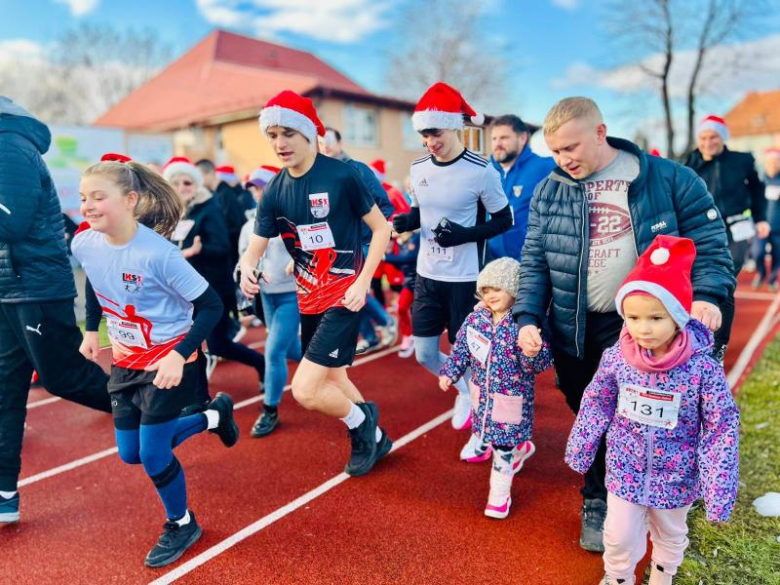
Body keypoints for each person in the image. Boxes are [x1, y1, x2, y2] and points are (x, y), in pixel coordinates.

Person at [515, 97, 734, 552]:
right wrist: (527, 317)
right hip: (575, 324)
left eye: (571, 147)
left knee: (648, 414)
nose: (563, 159)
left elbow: (711, 246)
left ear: (600, 133)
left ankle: (659, 494)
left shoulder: (669, 178)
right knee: (591, 410)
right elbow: (534, 261)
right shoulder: (549, 190)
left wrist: (709, 297)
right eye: (555, 151)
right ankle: (602, 496)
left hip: (643, 325)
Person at [73, 154, 239, 567]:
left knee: (153, 456)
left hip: (170, 362)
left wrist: (178, 356)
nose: (88, 206)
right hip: (126, 363)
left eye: (98, 197)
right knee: (130, 452)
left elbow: (212, 307)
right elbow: (97, 282)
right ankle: (213, 418)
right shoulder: (85, 242)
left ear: (130, 200)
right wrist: (92, 331)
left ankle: (181, 523)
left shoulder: (158, 254)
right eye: (83, 198)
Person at [565, 235, 739, 585]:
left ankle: (663, 575)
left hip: (676, 476)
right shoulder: (617, 359)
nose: (643, 328)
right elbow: (597, 401)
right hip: (625, 469)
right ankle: (618, 577)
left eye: (655, 318)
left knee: (670, 535)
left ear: (677, 316)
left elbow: (721, 427)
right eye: (633, 318)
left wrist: (717, 488)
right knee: (618, 535)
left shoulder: (701, 369)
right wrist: (582, 446)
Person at [240, 90, 393, 476]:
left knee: (307, 390)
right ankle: (376, 437)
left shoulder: (343, 175)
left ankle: (361, 426)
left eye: (288, 133)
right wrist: (247, 267)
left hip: (345, 295)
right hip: (308, 296)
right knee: (334, 376)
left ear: (309, 133)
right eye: (272, 135)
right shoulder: (275, 189)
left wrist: (363, 282)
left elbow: (381, 228)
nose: (279, 144)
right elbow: (255, 246)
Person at [0, 97, 111, 525]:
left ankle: (169, 412)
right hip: (10, 287)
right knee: (6, 391)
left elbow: (11, 221)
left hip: (36, 287)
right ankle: (5, 494)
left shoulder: (10, 145)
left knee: (65, 379)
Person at [392, 82, 512, 456]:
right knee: (426, 354)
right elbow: (422, 211)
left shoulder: (481, 171)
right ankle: (466, 392)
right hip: (428, 277)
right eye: (424, 134)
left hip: (465, 281)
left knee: (475, 360)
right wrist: (406, 221)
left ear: (454, 127)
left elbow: (504, 219)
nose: (430, 141)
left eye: (436, 132)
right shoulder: (418, 167)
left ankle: (484, 428)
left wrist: (464, 235)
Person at [439, 257, 551, 518]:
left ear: (513, 289)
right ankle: (520, 449)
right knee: (493, 437)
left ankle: (499, 497)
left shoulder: (523, 325)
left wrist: (531, 353)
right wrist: (450, 372)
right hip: (483, 397)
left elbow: (537, 364)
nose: (490, 296)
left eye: (497, 289)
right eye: (486, 290)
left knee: (501, 449)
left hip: (511, 400)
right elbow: (461, 351)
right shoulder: (475, 320)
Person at [165, 157, 265, 412]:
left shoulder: (209, 207)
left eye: (187, 182)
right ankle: (199, 399)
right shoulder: (175, 212)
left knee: (217, 345)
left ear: (196, 184)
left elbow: (222, 248)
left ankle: (261, 363)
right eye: (175, 182)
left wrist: (196, 250)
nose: (182, 186)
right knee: (192, 344)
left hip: (211, 290)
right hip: (183, 290)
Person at [684, 115, 768, 360]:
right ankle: (692, 337)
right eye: (703, 138)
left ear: (723, 137)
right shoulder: (689, 162)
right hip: (700, 229)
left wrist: (761, 218)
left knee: (724, 281)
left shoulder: (742, 160)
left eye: (713, 137)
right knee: (695, 281)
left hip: (735, 227)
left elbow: (757, 189)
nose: (708, 142)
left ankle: (717, 347)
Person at [319, 127, 397, 353]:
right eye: (320, 143)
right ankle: (370, 335)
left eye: (329, 141)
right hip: (334, 246)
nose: (325, 146)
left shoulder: (359, 170)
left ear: (339, 142)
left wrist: (373, 233)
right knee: (343, 294)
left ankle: (385, 320)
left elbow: (384, 204)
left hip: (362, 241)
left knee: (353, 288)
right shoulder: (319, 176)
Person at [239, 165, 301, 437]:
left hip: (292, 295)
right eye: (253, 187)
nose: (255, 192)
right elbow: (243, 260)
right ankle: (329, 365)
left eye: (260, 186)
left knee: (273, 351)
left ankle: (270, 410)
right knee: (291, 350)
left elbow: (313, 252)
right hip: (265, 297)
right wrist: (244, 276)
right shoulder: (247, 225)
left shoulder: (295, 217)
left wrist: (298, 263)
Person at [486, 114, 555, 262]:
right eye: (494, 139)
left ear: (522, 138)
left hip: (529, 265)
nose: (497, 143)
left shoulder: (545, 167)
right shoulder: (485, 172)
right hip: (492, 265)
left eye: (504, 138)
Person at [196, 159, 247, 268]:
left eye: (199, 176)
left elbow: (234, 225)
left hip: (233, 254)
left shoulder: (225, 194)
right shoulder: (217, 194)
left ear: (210, 173)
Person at [384, 230, 419, 358]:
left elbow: (410, 257)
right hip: (408, 283)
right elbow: (402, 265)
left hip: (422, 283)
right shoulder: (400, 243)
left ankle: (422, 339)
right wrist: (388, 253)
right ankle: (408, 335)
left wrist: (385, 257)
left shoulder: (417, 237)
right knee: (401, 308)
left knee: (420, 313)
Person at [751, 148, 780, 291]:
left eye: (776, 162)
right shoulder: (759, 181)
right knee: (758, 252)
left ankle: (772, 279)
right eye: (770, 162)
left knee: (777, 255)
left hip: (778, 228)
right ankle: (762, 273)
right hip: (761, 227)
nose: (773, 165)